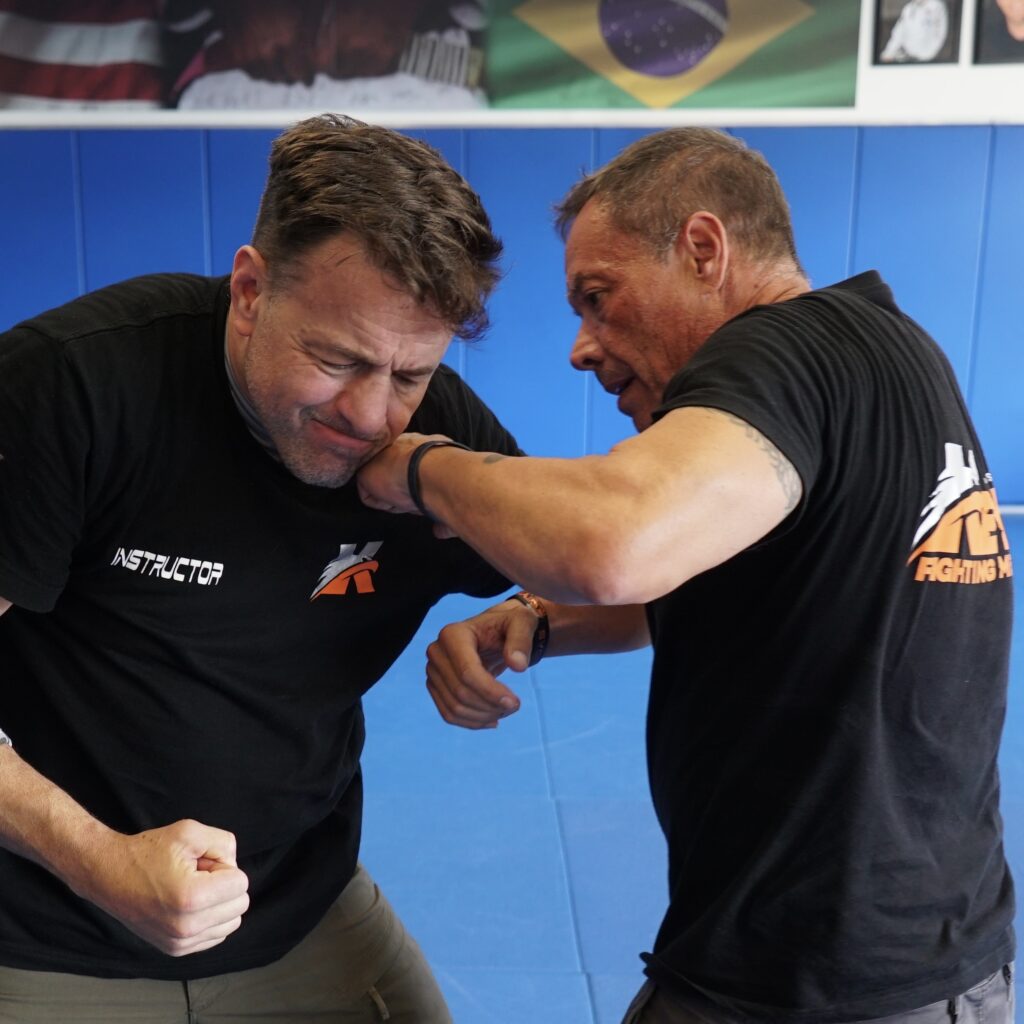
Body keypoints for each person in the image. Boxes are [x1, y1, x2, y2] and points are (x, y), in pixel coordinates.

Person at [357, 127, 1017, 1024]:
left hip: (818, 981)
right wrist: (543, 619)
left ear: (706, 251)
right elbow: (718, 566)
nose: (581, 348)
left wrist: (421, 466)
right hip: (928, 955)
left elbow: (615, 542)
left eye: (600, 297)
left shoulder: (782, 352)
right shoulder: (889, 351)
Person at [0, 112, 521, 1022]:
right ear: (249, 290)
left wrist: (539, 618)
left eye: (409, 375)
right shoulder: (68, 390)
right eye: (337, 359)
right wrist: (95, 858)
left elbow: (611, 555)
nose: (370, 413)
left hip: (295, 908)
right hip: (39, 922)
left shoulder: (434, 432)